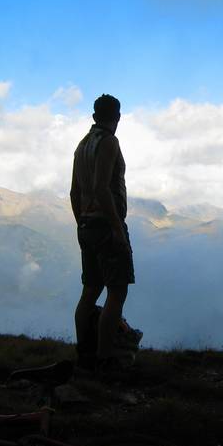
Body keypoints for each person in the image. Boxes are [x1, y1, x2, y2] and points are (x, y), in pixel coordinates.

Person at [70, 94, 135, 373]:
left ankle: (84, 352)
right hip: (106, 226)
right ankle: (105, 358)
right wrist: (117, 228)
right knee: (117, 291)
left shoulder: (82, 145)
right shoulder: (109, 142)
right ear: (117, 116)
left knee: (90, 290)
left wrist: (80, 222)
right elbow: (101, 187)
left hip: (86, 224)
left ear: (94, 116)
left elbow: (75, 191)